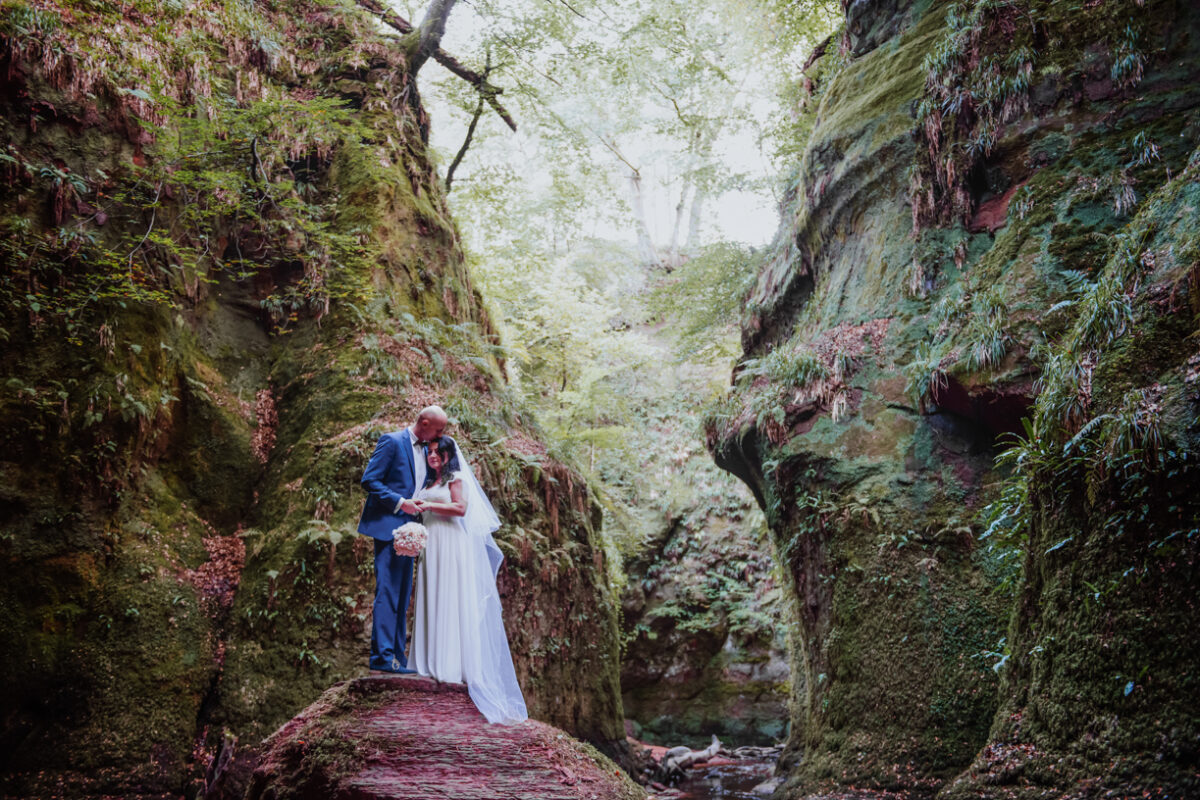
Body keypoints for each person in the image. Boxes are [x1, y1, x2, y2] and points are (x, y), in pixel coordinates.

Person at [410, 436, 528, 724]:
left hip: (451, 544)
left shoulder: (457, 478)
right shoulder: (427, 484)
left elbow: (460, 509)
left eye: (439, 452)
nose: (434, 456)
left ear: (450, 455)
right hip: (431, 545)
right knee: (432, 599)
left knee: (450, 598)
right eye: (431, 452)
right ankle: (429, 661)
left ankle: (452, 665)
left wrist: (427, 508)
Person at [357, 406, 448, 674]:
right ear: (424, 422)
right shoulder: (392, 441)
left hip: (411, 533)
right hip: (388, 529)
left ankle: (397, 656)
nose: (441, 435)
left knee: (402, 594)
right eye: (439, 429)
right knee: (387, 592)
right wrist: (400, 503)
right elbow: (370, 481)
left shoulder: (425, 451)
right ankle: (382, 658)